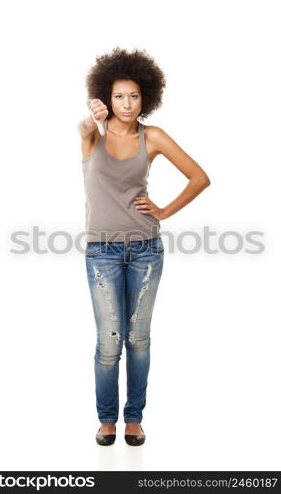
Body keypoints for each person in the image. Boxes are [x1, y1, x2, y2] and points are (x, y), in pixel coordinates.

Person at [77, 47, 211, 446]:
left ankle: (133, 418)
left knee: (138, 339)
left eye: (134, 96)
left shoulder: (151, 136)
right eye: (119, 96)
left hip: (146, 251)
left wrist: (164, 211)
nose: (127, 104)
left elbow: (199, 177)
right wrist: (92, 116)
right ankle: (106, 420)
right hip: (102, 252)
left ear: (146, 96)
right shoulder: (91, 135)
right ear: (106, 96)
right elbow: (83, 126)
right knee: (109, 341)